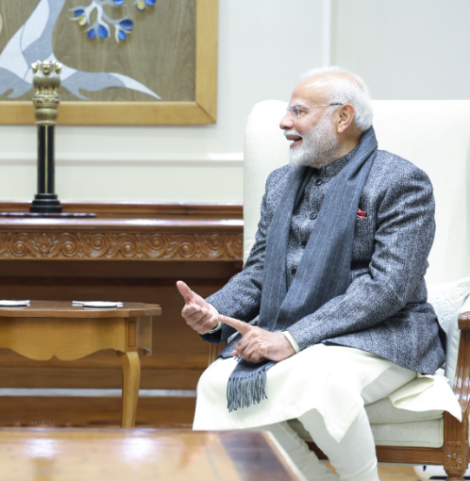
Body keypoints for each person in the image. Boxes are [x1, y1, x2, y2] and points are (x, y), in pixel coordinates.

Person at [178, 67, 460, 481]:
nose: (284, 122)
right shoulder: (279, 184)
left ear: (342, 118)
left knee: (316, 374)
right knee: (217, 384)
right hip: (291, 333)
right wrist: (213, 310)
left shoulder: (401, 182)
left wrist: (292, 338)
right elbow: (259, 272)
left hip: (385, 334)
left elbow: (388, 288)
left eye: (298, 111)